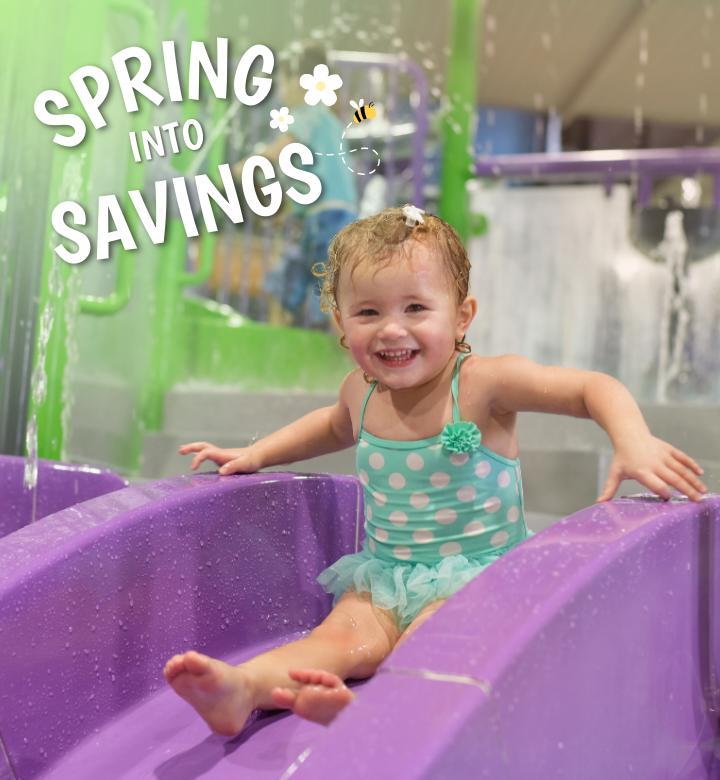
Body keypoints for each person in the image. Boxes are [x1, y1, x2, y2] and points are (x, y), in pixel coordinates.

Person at [163, 205, 707, 734]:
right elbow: (331, 426)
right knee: (335, 640)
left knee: (431, 640)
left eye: (415, 309)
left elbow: (592, 388)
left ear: (462, 315)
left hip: (478, 578)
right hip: (384, 576)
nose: (391, 330)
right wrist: (257, 454)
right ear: (340, 323)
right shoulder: (361, 390)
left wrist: (632, 440)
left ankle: (373, 717)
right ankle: (244, 690)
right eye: (368, 312)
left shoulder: (482, 384)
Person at [233, 40, 358, 329]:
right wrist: (285, 212)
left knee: (333, 300)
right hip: (323, 223)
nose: (281, 91)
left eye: (283, 82)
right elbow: (312, 182)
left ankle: (367, 367)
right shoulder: (325, 123)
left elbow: (280, 149)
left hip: (331, 223)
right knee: (282, 288)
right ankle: (281, 365)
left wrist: (239, 169)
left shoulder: (311, 113)